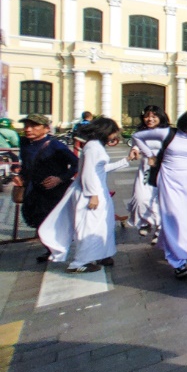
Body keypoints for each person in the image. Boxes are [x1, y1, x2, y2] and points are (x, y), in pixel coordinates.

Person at [39, 117, 132, 273]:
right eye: (114, 132)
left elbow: (100, 169)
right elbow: (88, 172)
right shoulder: (93, 147)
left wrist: (126, 160)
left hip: (96, 190)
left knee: (102, 225)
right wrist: (92, 195)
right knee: (89, 227)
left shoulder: (95, 146)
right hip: (90, 192)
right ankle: (80, 262)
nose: (115, 136)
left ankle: (102, 254)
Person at [131, 110, 187, 279]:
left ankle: (182, 249)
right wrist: (150, 154)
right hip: (169, 181)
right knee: (173, 217)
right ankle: (177, 261)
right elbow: (138, 136)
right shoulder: (168, 133)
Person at [14, 114, 79, 260]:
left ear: (46, 128)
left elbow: (76, 163)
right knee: (37, 219)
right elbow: (26, 165)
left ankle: (59, 248)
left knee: (51, 220)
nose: (28, 129)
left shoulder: (55, 145)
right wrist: (20, 177)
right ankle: (50, 249)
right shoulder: (25, 143)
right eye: (26, 125)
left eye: (34, 126)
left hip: (54, 192)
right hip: (34, 190)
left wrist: (60, 178)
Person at [127, 106, 169, 240]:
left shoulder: (167, 132)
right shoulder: (140, 132)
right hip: (146, 168)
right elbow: (136, 145)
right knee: (141, 197)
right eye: (147, 116)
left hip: (163, 168)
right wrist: (134, 150)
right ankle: (146, 222)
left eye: (153, 116)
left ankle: (160, 228)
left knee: (160, 199)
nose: (149, 119)